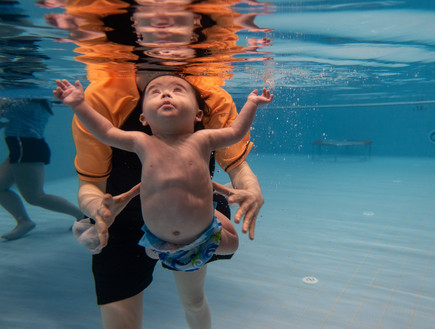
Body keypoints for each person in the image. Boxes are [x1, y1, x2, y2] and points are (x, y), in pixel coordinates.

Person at [50, 1, 270, 328]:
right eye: (153, 25)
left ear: (195, 28)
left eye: (176, 25)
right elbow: (90, 185)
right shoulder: (102, 99)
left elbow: (238, 166)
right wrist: (97, 209)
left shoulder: (210, 97)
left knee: (194, 301)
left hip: (192, 217)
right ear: (134, 29)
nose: (165, 39)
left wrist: (251, 190)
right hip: (120, 221)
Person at [54, 75, 272, 271]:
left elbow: (235, 132)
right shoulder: (141, 142)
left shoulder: (204, 139)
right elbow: (106, 131)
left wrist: (251, 104)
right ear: (143, 119)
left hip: (205, 237)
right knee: (148, 254)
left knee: (232, 244)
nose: (166, 94)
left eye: (178, 90)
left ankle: (214, 214)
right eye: (155, 92)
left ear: (198, 114)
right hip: (158, 243)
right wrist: (79, 104)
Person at [0, 98, 83, 240]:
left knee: (35, 197)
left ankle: (83, 217)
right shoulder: (33, 99)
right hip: (24, 146)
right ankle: (24, 221)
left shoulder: (20, 99)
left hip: (25, 147)